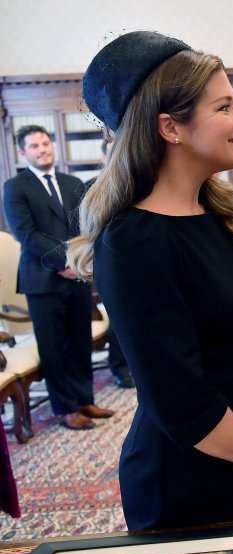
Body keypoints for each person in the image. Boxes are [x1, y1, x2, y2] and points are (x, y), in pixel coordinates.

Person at [67, 31, 233, 530]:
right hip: (181, 478)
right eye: (225, 107)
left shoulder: (217, 211)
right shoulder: (131, 242)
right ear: (170, 127)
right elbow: (180, 400)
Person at [2, 125, 113, 431]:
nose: (42, 150)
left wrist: (77, 262)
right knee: (53, 347)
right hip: (42, 280)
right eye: (34, 146)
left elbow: (84, 226)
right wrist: (65, 261)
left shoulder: (71, 182)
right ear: (23, 153)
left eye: (45, 144)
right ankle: (65, 409)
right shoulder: (15, 187)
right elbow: (26, 235)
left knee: (79, 341)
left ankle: (84, 399)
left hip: (75, 277)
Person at [82, 137, 134, 389]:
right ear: (104, 158)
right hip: (112, 263)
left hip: (140, 262)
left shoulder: (140, 182)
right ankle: (121, 368)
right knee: (119, 321)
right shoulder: (93, 188)